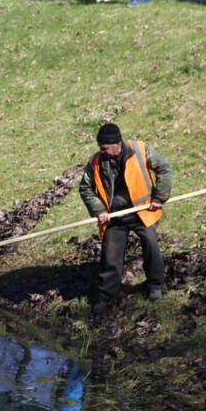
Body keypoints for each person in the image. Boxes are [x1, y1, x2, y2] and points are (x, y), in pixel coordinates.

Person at [78, 122, 173, 315]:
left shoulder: (140, 149)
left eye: (104, 147)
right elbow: (85, 188)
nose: (101, 151)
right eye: (100, 147)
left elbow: (164, 168)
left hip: (141, 211)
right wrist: (98, 210)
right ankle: (105, 295)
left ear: (117, 144)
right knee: (110, 255)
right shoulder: (95, 161)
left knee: (151, 244)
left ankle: (155, 285)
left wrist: (159, 198)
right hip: (113, 216)